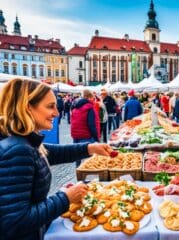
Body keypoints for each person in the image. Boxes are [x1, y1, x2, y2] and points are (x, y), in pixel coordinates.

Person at [0, 78, 113, 240]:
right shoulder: (18, 149)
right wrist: (66, 197)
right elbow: (15, 221)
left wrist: (89, 148)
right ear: (28, 108)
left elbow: (51, 152)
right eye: (50, 106)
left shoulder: (23, 140)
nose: (57, 113)